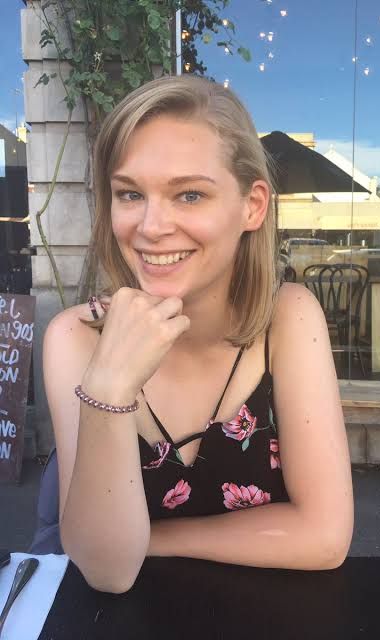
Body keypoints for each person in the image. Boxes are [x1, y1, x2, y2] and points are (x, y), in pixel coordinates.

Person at [41, 75, 353, 593]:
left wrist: (153, 540)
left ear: (253, 206)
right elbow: (107, 571)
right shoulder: (74, 338)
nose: (151, 226)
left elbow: (324, 538)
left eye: (189, 194)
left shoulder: (288, 319)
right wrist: (108, 389)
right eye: (129, 193)